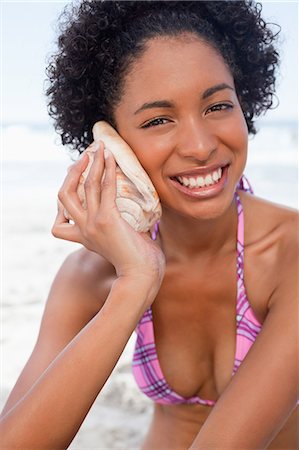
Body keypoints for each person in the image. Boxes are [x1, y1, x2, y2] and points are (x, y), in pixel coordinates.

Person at [1, 1, 298, 448]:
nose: (200, 146)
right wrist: (136, 281)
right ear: (111, 142)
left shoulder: (289, 255)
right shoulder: (92, 278)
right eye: (159, 119)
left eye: (217, 105)